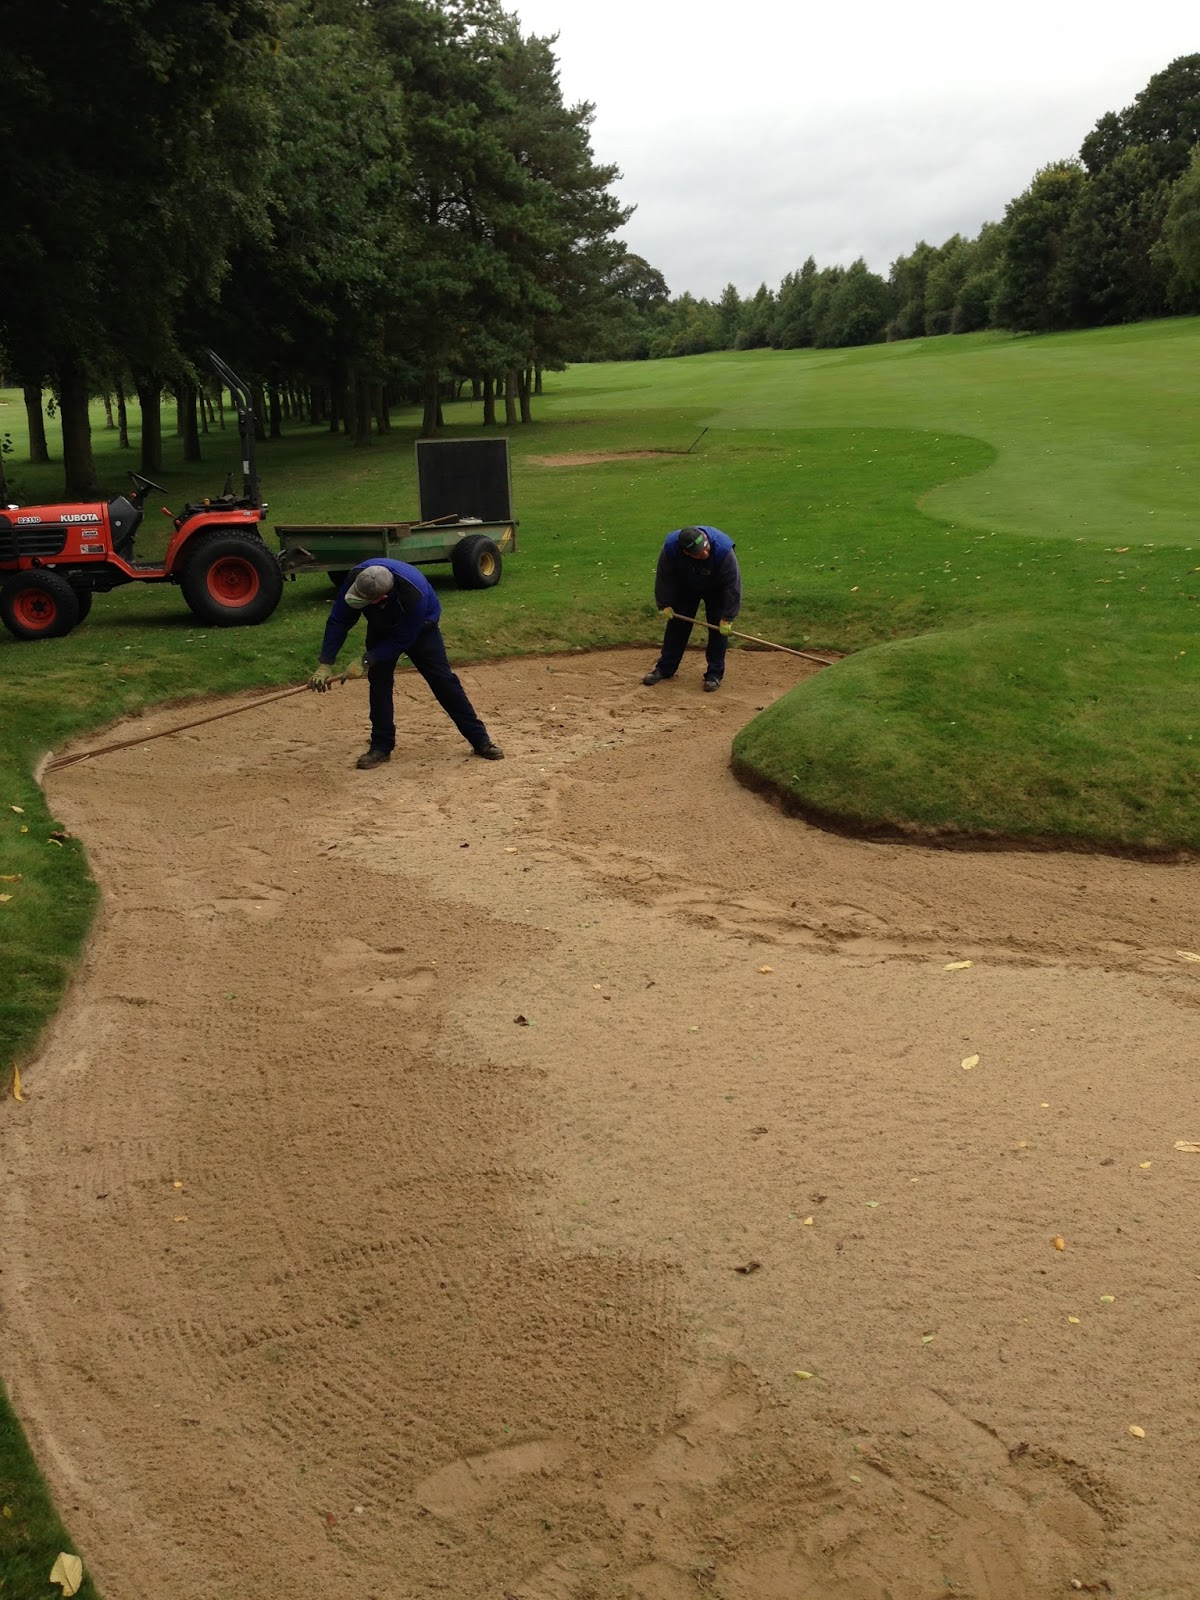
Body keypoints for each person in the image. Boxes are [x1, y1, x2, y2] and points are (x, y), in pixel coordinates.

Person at [307, 561, 503, 768]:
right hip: (381, 627)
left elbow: (402, 640)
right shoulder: (359, 577)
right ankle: (381, 747)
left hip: (420, 629)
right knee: (379, 683)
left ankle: (480, 740)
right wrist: (325, 663)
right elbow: (339, 619)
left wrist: (366, 659)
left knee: (444, 682)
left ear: (381, 597)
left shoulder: (413, 595)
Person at [642, 524, 741, 692]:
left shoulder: (723, 550)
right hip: (686, 586)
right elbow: (664, 575)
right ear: (685, 553)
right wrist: (664, 603)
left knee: (718, 629)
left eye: (706, 548)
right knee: (677, 627)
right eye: (699, 553)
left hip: (716, 588)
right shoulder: (671, 548)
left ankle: (714, 674)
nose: (705, 553)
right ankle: (665, 668)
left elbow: (733, 586)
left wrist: (728, 617)